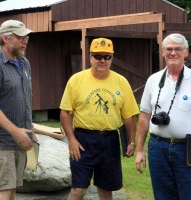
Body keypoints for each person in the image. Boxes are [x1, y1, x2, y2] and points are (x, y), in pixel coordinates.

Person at [60, 37, 139, 200]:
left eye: (107, 57)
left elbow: (129, 115)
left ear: (112, 58)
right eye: (98, 56)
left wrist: (131, 142)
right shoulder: (76, 80)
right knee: (78, 189)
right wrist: (72, 140)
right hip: (83, 141)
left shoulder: (121, 82)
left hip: (110, 140)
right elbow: (65, 112)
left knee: (106, 190)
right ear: (90, 57)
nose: (102, 60)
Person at [135, 33, 191, 200]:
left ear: (186, 53)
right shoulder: (153, 80)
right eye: (169, 49)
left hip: (187, 149)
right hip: (157, 147)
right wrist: (139, 150)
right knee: (162, 196)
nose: (173, 53)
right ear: (162, 52)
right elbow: (144, 115)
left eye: (178, 49)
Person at [0, 20, 37, 200]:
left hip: (21, 140)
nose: (25, 40)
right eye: (20, 36)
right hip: (1, 142)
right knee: (3, 191)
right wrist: (15, 132)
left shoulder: (24, 63)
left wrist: (29, 129)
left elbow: (25, 98)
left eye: (26, 36)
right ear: (5, 37)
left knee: (11, 192)